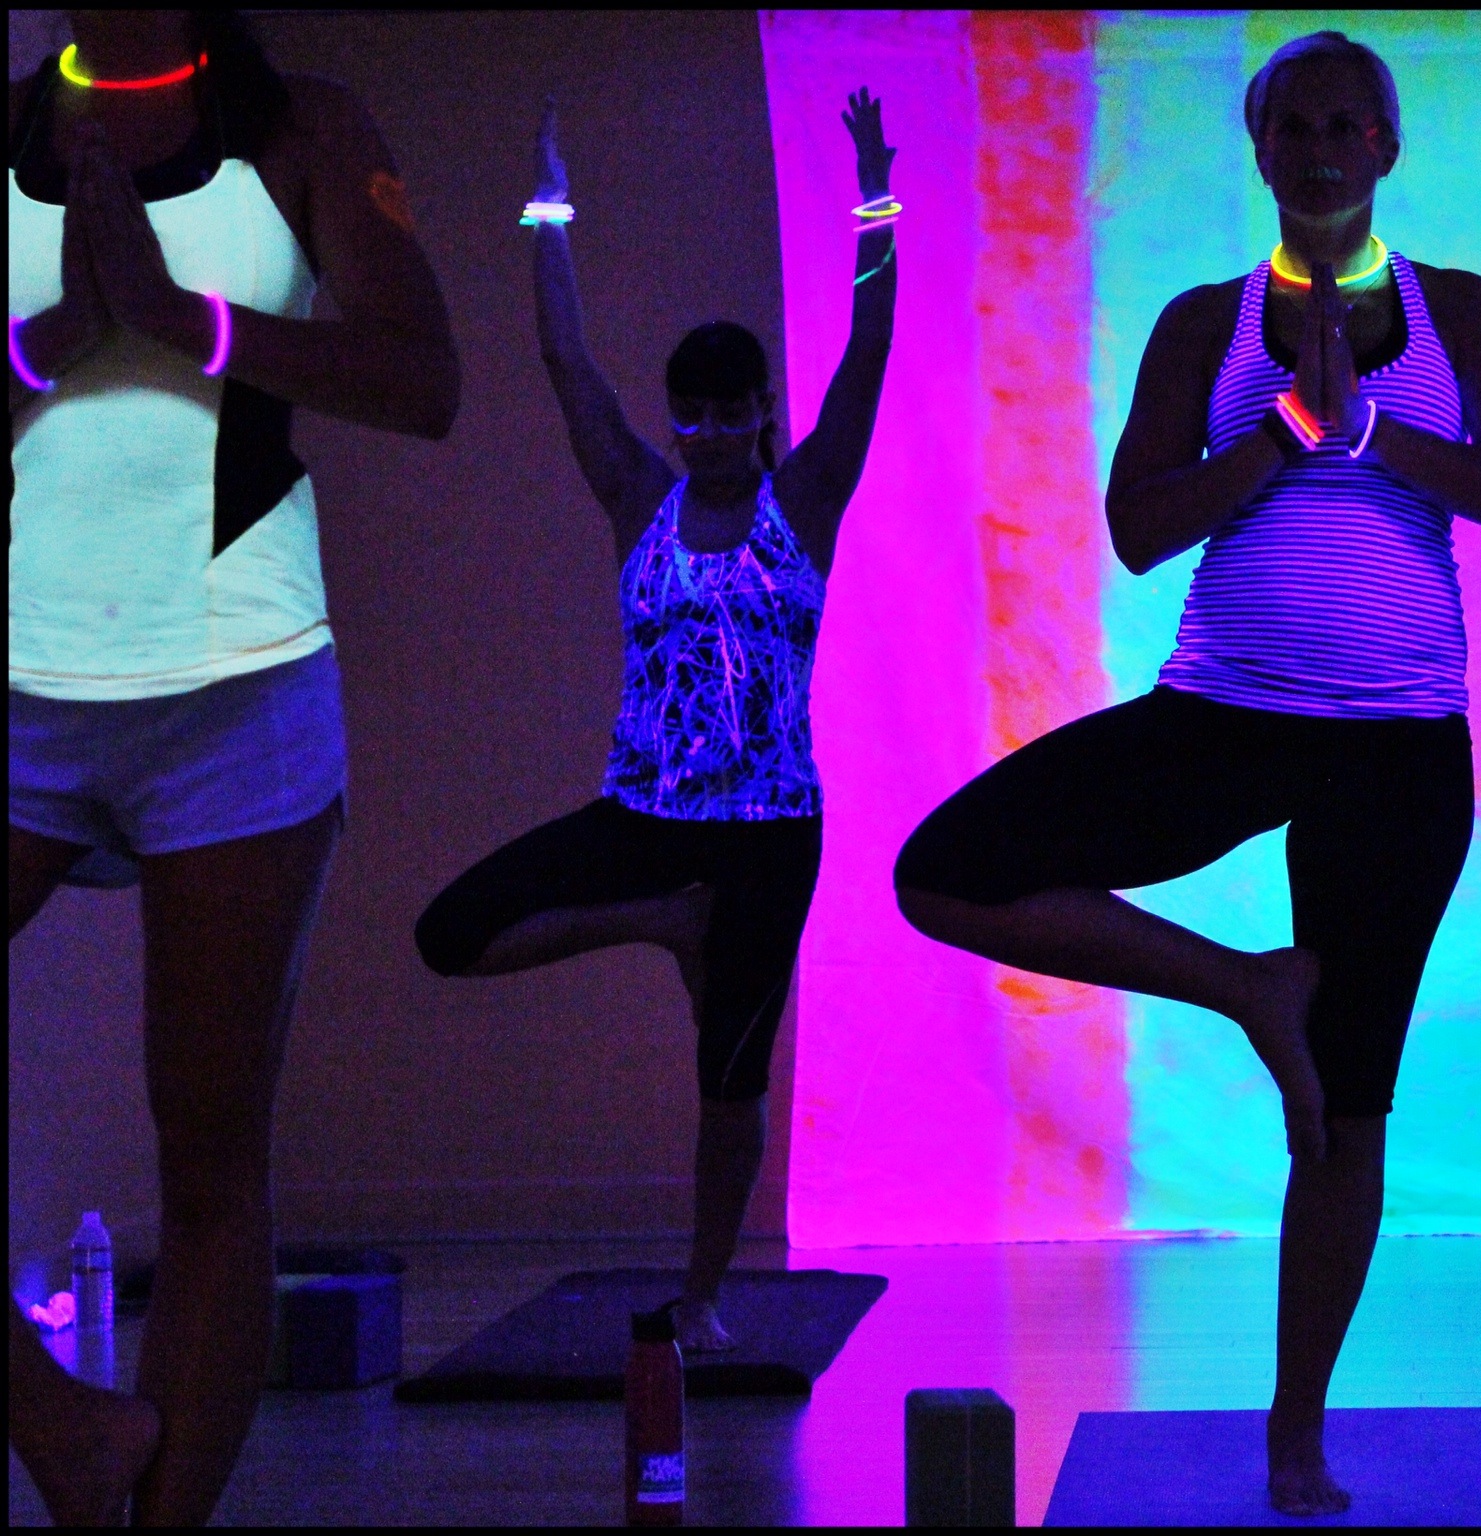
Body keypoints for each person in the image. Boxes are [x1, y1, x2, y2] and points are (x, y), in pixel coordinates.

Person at [893, 31, 1481, 1517]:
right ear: (1260, 151)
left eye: (1344, 125)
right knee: (942, 873)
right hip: (1223, 713)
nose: (1319, 150)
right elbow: (1139, 528)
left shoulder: (1456, 309)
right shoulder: (1205, 323)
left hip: (1399, 745)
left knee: (1349, 1107)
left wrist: (1377, 431)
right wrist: (1281, 434)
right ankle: (1253, 989)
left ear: (1386, 147)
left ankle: (1295, 1435)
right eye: (1293, 127)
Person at [8, 10, 459, 1524]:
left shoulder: (301, 126)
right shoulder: (13, 127)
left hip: (238, 687)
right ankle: (66, 1433)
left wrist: (178, 317)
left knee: (209, 1163)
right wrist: (56, 338)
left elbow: (423, 381)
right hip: (21, 684)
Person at [412, 91, 896, 1355]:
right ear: (675, 416)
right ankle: (660, 921)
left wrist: (875, 199)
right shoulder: (638, 496)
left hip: (769, 831)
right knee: (451, 934)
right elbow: (567, 366)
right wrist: (548, 209)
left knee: (729, 1078)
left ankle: (704, 1292)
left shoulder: (803, 501)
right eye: (693, 416)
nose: (712, 436)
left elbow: (864, 364)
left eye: (734, 415)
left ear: (762, 413)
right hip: (643, 818)